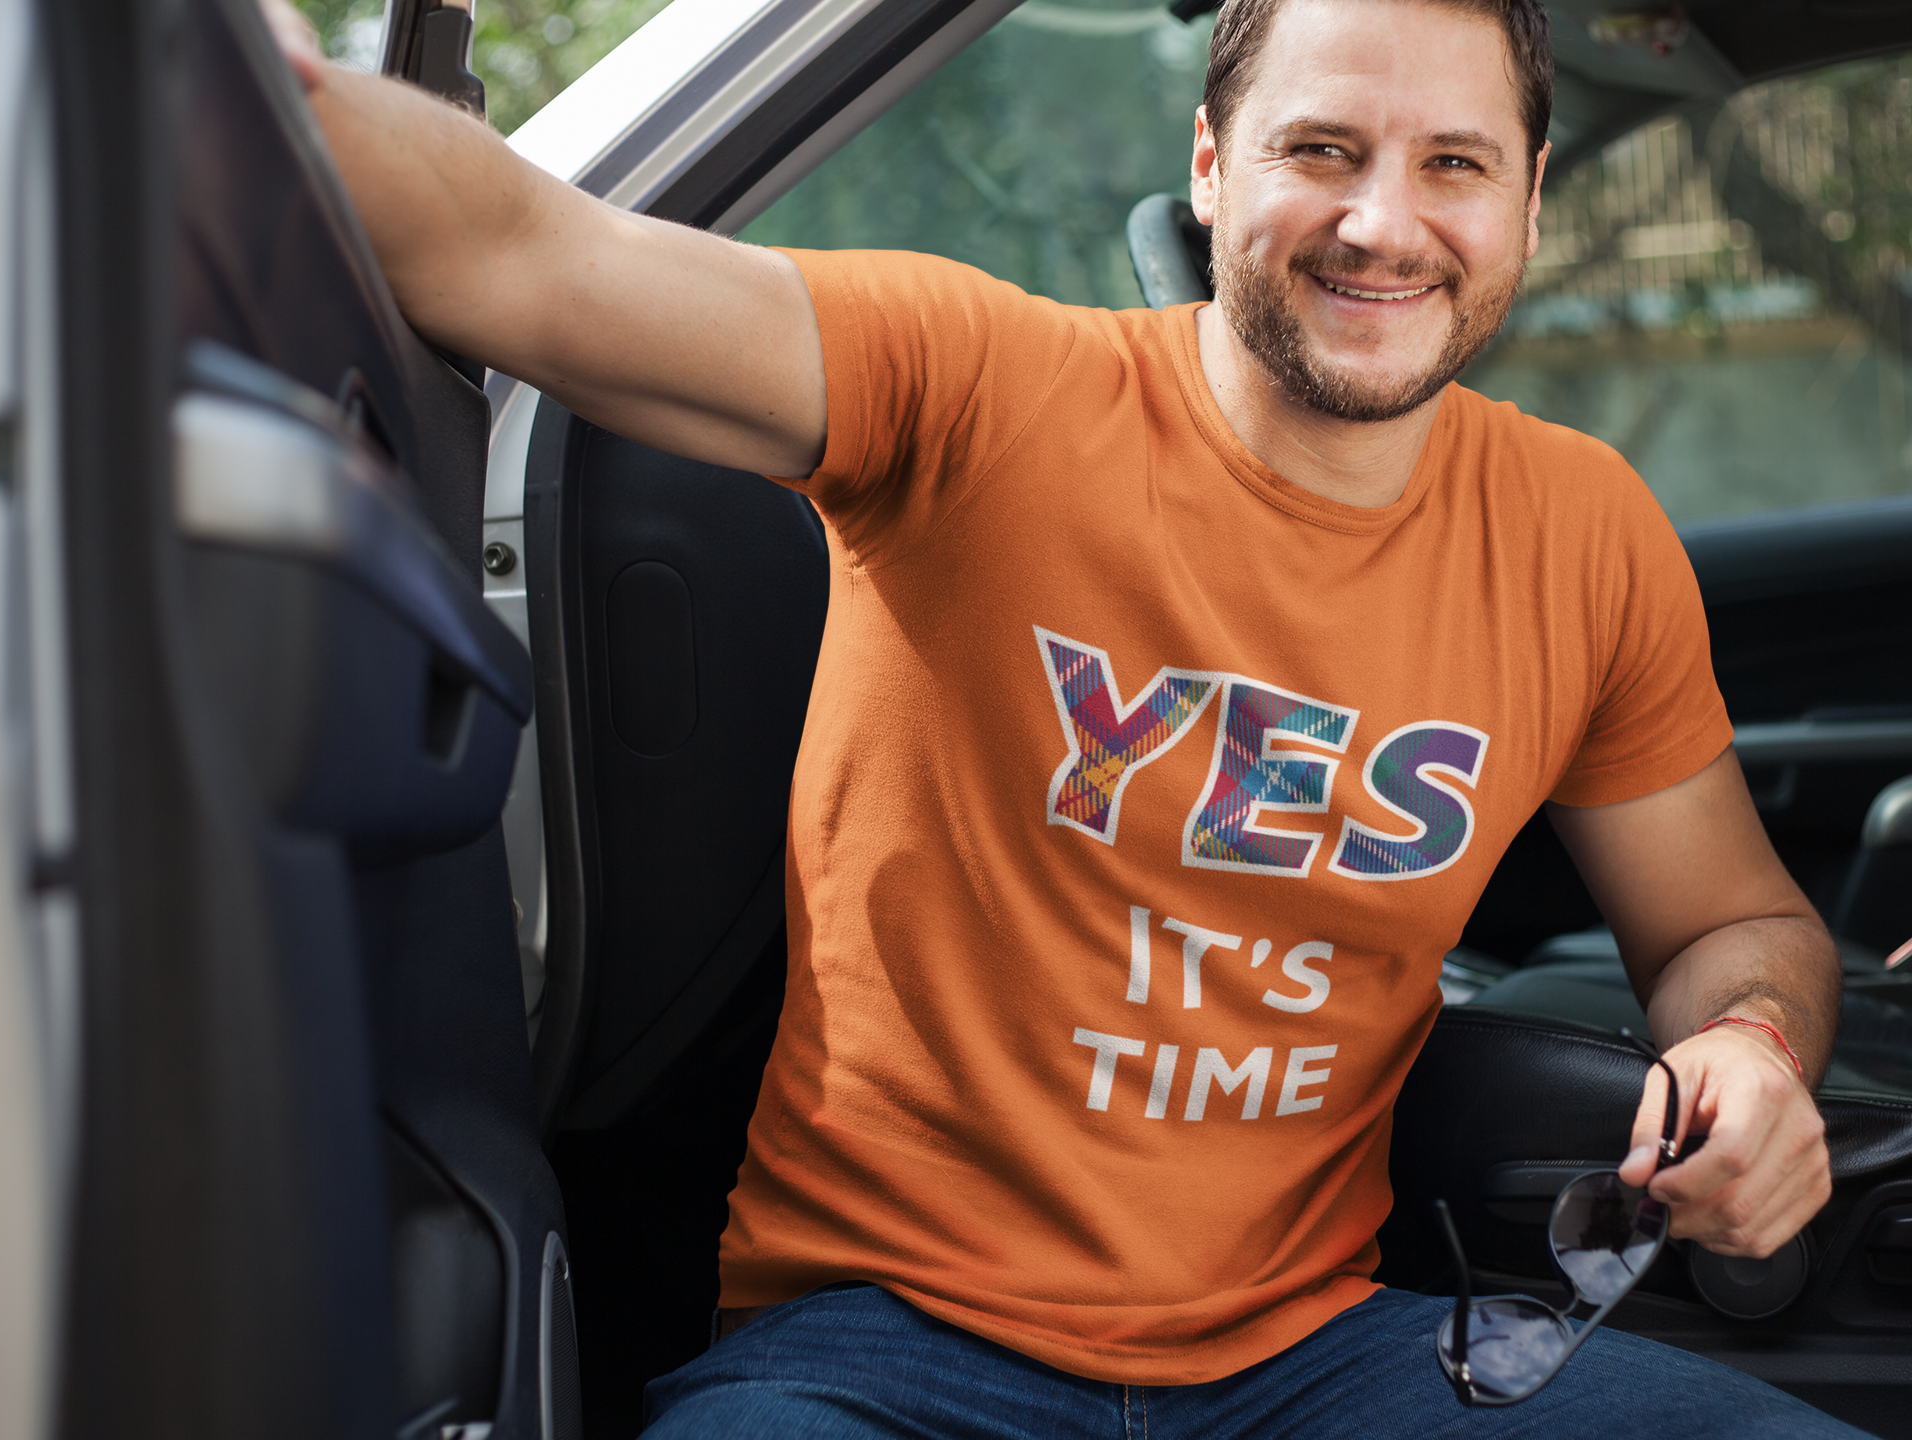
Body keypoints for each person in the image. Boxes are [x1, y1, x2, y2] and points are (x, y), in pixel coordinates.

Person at [266, 0, 1857, 1432]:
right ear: (1214, 162)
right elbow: (520, 254)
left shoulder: (1582, 536)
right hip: (878, 1354)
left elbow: (1732, 921)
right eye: (1323, 147)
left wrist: (1754, 1044)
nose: (1385, 221)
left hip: (1319, 1361)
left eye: (1454, 162)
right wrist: (230, 78)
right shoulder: (982, 392)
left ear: (1527, 193)